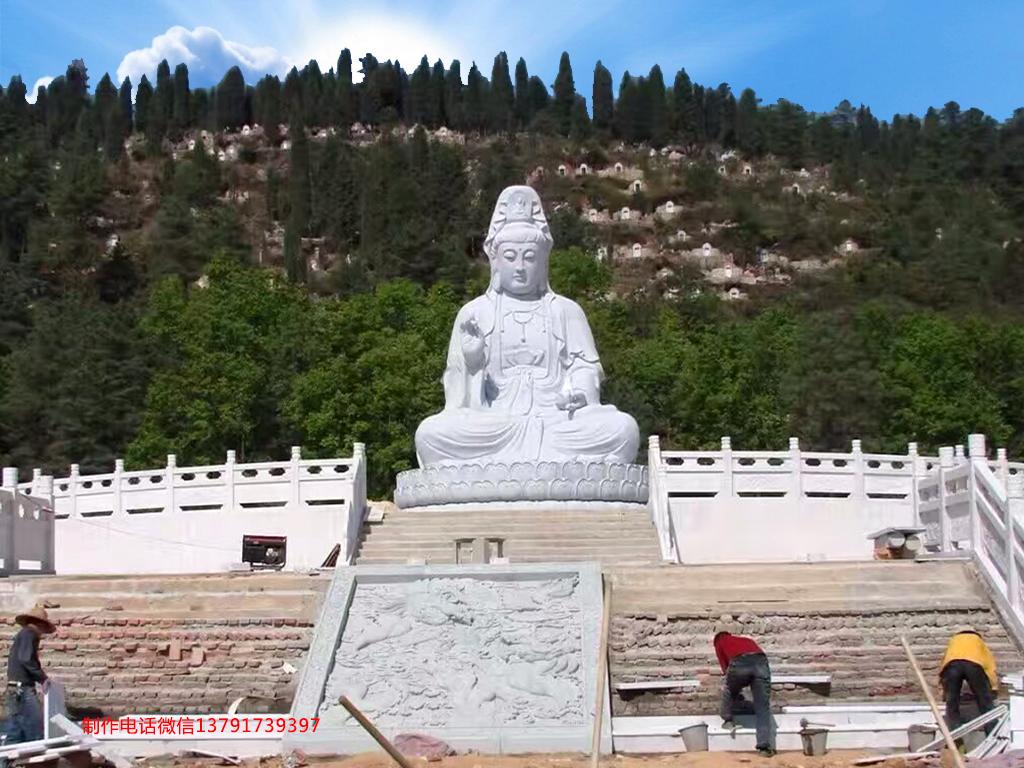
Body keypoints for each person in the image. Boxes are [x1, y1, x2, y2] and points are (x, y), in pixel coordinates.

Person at [714, 630, 774, 757]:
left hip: (740, 662)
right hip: (761, 662)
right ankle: (764, 747)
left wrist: (735, 687)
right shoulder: (746, 640)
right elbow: (758, 655)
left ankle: (728, 720)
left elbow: (725, 668)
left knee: (729, 690)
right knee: (762, 707)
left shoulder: (720, 642)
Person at [3, 604, 55, 746]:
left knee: (16, 731)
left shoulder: (23, 634)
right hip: (22, 689)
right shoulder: (30, 634)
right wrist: (42, 678)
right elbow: (26, 659)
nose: (43, 633)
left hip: (15, 688)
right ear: (39, 624)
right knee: (35, 729)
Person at [940, 628, 997, 732]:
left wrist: (944, 690)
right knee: (985, 701)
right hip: (973, 665)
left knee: (952, 703)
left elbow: (944, 663)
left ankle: (954, 735)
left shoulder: (954, 640)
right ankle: (992, 731)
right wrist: (993, 687)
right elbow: (989, 666)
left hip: (952, 665)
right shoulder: (978, 641)